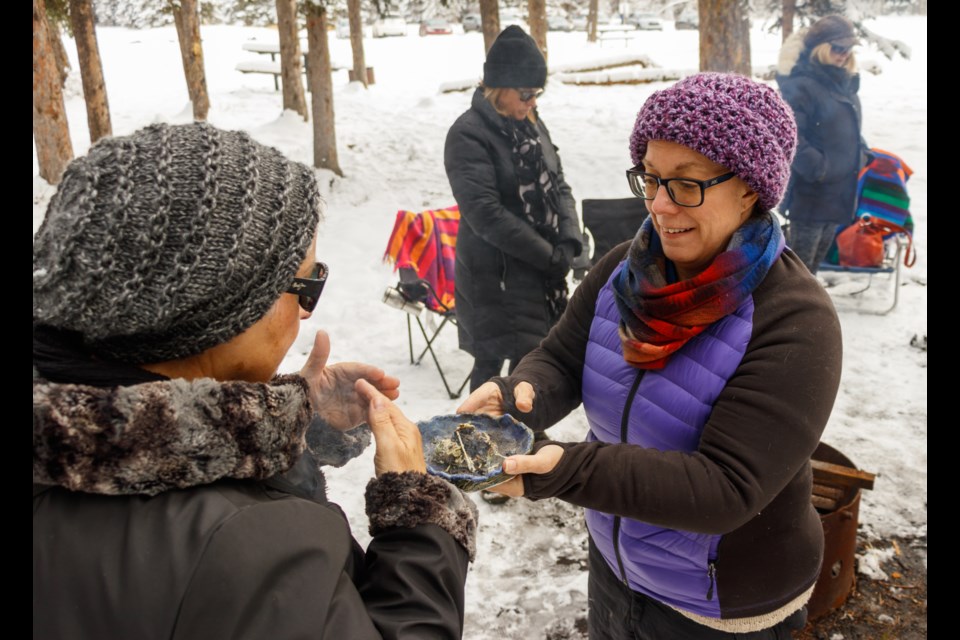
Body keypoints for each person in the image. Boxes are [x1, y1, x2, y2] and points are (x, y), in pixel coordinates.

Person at [33, 122, 478, 639]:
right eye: (307, 284)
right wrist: (419, 522)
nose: (308, 313)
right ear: (212, 314)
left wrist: (291, 424)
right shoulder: (246, 550)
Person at [459, 73, 843, 638]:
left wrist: (566, 470)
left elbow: (725, 488)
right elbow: (563, 357)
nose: (661, 206)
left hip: (720, 604)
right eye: (652, 179)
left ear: (751, 189)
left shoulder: (795, 320)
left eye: (687, 184)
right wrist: (523, 393)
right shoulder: (624, 267)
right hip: (618, 569)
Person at [444, 25, 583, 395]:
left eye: (537, 94)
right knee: (491, 367)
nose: (532, 102)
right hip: (495, 276)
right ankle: (476, 443)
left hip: (539, 275)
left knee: (532, 366)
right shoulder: (468, 134)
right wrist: (547, 256)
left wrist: (569, 240)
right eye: (526, 94)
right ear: (499, 88)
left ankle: (526, 441)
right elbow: (484, 213)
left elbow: (559, 183)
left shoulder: (532, 124)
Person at [776, 14, 871, 276]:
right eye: (837, 47)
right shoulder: (801, 85)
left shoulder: (843, 82)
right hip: (811, 196)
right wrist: (820, 168)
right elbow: (791, 136)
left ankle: (808, 314)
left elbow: (845, 128)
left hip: (839, 193)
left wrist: (861, 153)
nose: (844, 54)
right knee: (799, 273)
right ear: (820, 47)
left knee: (813, 268)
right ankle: (790, 316)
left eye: (848, 48)